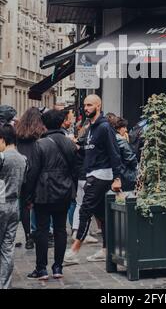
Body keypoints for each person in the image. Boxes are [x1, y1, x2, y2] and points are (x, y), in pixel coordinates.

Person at [64, 95, 122, 265]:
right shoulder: (91, 128)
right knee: (101, 214)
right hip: (92, 173)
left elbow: (114, 153)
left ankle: (75, 249)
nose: (86, 108)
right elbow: (90, 150)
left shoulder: (104, 127)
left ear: (98, 105)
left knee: (85, 210)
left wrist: (117, 177)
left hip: (101, 175)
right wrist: (78, 147)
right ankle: (106, 249)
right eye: (84, 105)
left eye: (89, 105)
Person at [26, 109, 78, 281]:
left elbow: (32, 172)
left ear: (44, 124)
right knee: (60, 229)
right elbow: (75, 170)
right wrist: (73, 191)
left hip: (43, 192)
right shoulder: (69, 143)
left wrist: (28, 196)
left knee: (41, 230)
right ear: (61, 122)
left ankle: (41, 269)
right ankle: (58, 267)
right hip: (64, 190)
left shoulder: (40, 144)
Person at [0, 124, 27, 289]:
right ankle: (5, 284)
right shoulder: (23, 159)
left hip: (1, 202)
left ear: (2, 140)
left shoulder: (2, 157)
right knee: (7, 248)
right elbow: (24, 183)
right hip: (14, 205)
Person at [16, 107, 47, 250]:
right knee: (37, 204)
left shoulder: (19, 132)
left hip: (23, 169)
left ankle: (28, 235)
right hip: (38, 170)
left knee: (24, 206)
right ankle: (39, 233)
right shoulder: (41, 132)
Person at [115, 118, 138, 192]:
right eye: (124, 127)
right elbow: (131, 159)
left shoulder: (112, 140)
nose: (126, 130)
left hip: (117, 174)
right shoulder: (122, 141)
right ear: (118, 129)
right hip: (126, 175)